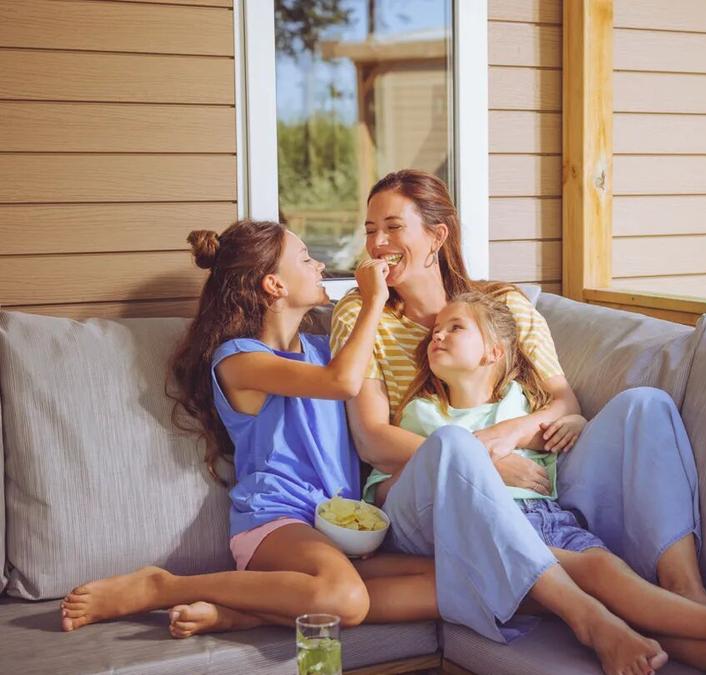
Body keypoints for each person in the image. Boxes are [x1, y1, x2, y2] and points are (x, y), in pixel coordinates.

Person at [330, 170, 706, 675]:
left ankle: (693, 602)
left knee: (645, 406)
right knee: (457, 447)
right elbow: (372, 440)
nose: (377, 243)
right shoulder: (362, 313)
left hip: (531, 479)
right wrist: (480, 462)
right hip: (423, 494)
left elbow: (563, 402)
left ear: (437, 235)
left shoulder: (504, 306)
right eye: (370, 230)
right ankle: (636, 622)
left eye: (392, 227)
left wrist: (505, 438)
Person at [377, 290, 706, 675]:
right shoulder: (421, 414)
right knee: (594, 571)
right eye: (435, 331)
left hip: (549, 517)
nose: (437, 335)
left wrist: (574, 423)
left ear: (493, 353)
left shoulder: (522, 402)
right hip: (481, 528)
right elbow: (385, 490)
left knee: (646, 407)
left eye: (454, 328)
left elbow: (562, 435)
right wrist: (482, 462)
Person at [60, 219, 437, 638]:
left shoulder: (323, 350)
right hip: (277, 521)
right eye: (306, 259)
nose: (319, 265)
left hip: (339, 529)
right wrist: (373, 300)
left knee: (444, 583)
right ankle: (162, 587)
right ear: (275, 285)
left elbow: (356, 377)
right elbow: (343, 383)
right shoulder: (239, 360)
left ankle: (251, 611)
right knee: (346, 599)